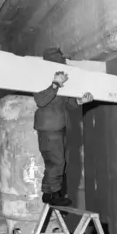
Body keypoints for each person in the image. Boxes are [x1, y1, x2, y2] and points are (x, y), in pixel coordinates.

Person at [33, 48, 94, 206]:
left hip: (59, 127)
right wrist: (55, 84)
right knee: (56, 162)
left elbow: (67, 104)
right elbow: (40, 100)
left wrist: (80, 101)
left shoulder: (60, 85)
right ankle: (52, 194)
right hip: (49, 128)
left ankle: (52, 193)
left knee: (58, 162)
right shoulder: (40, 79)